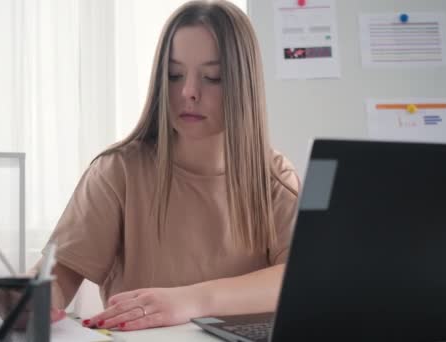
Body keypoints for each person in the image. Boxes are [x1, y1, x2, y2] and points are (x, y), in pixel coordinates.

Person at [35, 0, 299, 331]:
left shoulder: (274, 176)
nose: (188, 91)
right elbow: (60, 272)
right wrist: (36, 297)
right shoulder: (118, 171)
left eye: (212, 77)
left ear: (242, 85)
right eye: (174, 75)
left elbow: (299, 277)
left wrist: (192, 301)